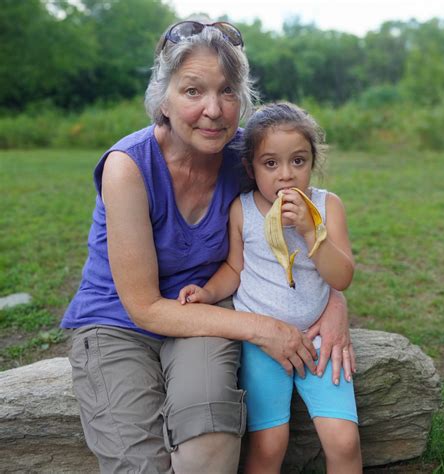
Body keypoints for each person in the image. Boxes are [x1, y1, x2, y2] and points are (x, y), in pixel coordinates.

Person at [60, 19, 356, 474]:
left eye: (228, 91)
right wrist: (263, 328)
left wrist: (333, 303)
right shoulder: (128, 168)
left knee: (209, 449)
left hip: (202, 314)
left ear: (243, 100)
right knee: (140, 465)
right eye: (193, 91)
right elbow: (144, 307)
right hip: (119, 322)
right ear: (163, 98)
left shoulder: (247, 161)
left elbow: (312, 236)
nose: (214, 110)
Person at [178, 102, 362, 473]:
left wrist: (312, 232)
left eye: (299, 161)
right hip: (261, 344)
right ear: (251, 168)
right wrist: (208, 294)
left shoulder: (328, 207)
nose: (286, 176)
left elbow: (341, 277)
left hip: (317, 341)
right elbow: (234, 269)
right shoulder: (242, 210)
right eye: (271, 164)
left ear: (313, 161)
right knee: (268, 444)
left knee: (344, 440)